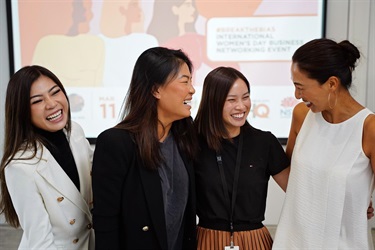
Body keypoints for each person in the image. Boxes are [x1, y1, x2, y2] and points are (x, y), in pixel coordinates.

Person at [273, 38, 375, 249]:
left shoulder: (369, 128)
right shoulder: (302, 115)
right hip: (293, 242)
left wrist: (358, 199)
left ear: (331, 83)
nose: (297, 95)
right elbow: (294, 178)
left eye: (300, 87)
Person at [92, 47, 198, 250]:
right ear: (156, 90)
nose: (192, 89)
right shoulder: (116, 143)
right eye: (184, 81)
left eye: (191, 81)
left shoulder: (185, 134)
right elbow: (106, 223)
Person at [194, 66, 290, 250]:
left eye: (245, 97)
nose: (241, 106)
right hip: (207, 239)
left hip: (255, 240)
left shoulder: (264, 142)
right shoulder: (192, 142)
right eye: (231, 100)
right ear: (213, 102)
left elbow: (297, 191)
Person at [0, 65, 94, 249]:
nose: (51, 104)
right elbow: (40, 241)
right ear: (22, 111)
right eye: (37, 101)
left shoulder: (75, 132)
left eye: (55, 92)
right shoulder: (19, 166)